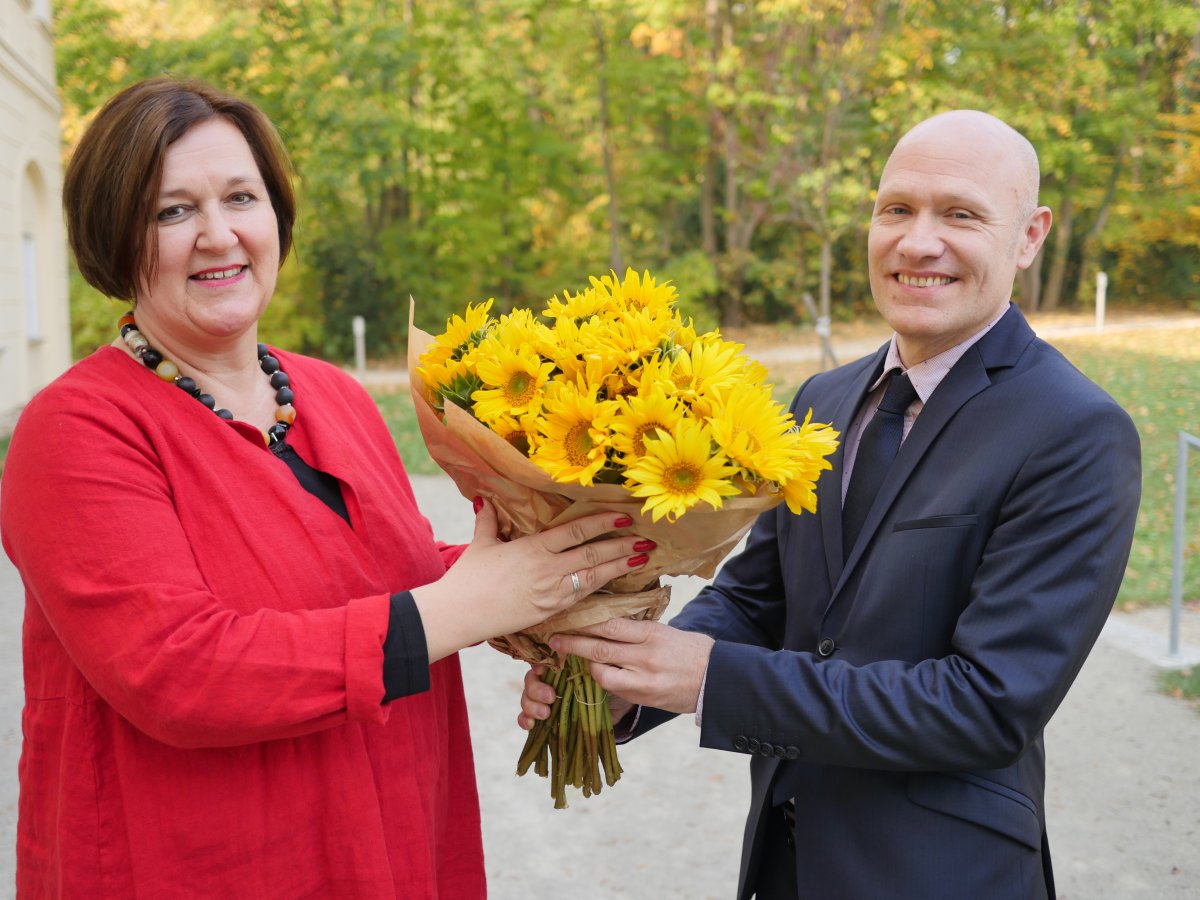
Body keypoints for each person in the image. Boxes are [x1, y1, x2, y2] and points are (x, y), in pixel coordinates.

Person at [0, 77, 654, 898]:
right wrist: (472, 606)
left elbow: (386, 572)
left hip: (387, 837)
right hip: (201, 865)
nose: (218, 234)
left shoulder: (330, 394)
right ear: (113, 234)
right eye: (172, 211)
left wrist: (565, 578)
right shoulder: (77, 429)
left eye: (242, 197)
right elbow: (179, 670)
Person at [520, 110, 1141, 899]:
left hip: (942, 874)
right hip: (784, 861)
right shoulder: (826, 398)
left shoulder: (1076, 431)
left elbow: (985, 705)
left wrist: (714, 682)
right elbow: (758, 600)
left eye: (961, 214)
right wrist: (623, 681)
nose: (918, 242)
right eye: (896, 209)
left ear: (1029, 236)